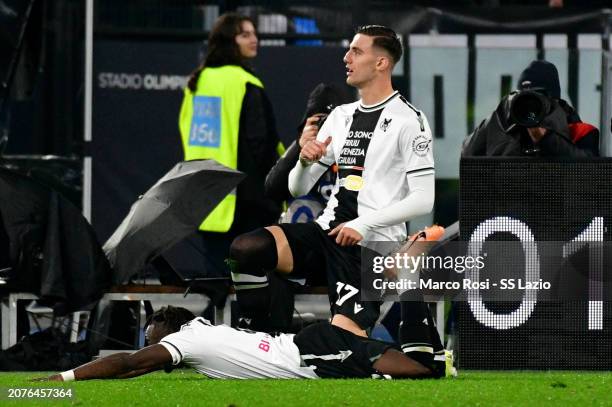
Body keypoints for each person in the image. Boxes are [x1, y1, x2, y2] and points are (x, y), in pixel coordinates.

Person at [229, 25, 435, 344]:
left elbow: (424, 199)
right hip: (325, 233)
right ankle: (253, 336)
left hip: (369, 245)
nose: (346, 57)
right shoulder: (341, 116)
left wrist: (363, 224)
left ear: (381, 63)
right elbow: (297, 188)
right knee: (245, 249)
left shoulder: (410, 120)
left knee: (341, 343)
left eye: (356, 51)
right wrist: (304, 161)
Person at [39, 306, 443, 381]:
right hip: (311, 348)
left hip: (308, 353)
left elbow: (129, 364)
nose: (149, 342)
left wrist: (66, 377)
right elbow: (137, 365)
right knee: (420, 366)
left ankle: (411, 286)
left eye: (151, 333)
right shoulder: (201, 333)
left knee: (422, 371)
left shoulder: (188, 338)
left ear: (167, 326)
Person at [178, 13, 283, 279]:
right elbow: (261, 143)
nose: (254, 39)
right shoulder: (244, 83)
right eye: (245, 34)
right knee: (246, 282)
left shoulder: (197, 82)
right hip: (244, 202)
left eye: (254, 33)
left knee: (216, 279)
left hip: (205, 195)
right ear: (229, 41)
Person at [461, 60, 599, 157]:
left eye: (537, 97)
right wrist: (500, 114)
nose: (529, 105)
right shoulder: (506, 122)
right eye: (523, 97)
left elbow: (587, 169)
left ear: (555, 100)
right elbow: (467, 152)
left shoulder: (579, 131)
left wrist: (545, 137)